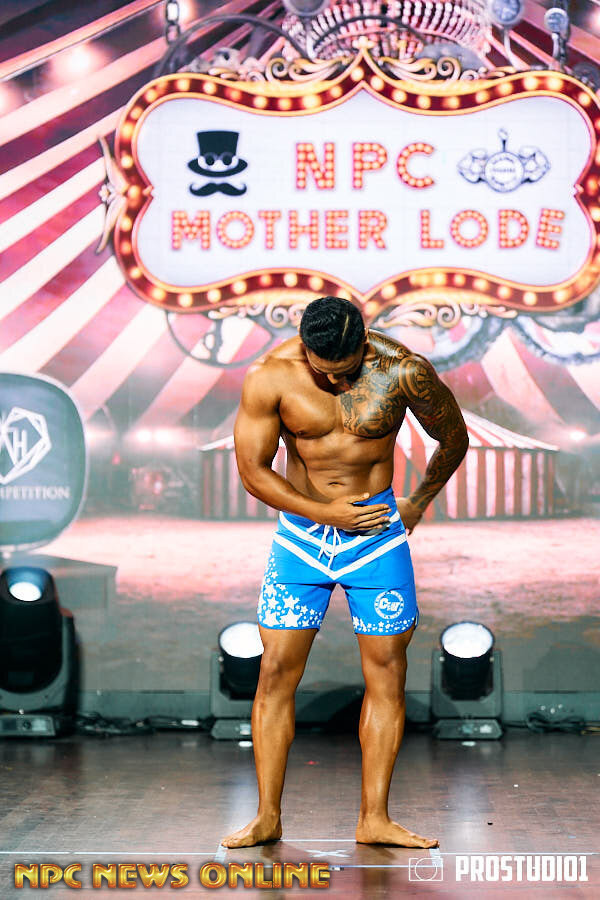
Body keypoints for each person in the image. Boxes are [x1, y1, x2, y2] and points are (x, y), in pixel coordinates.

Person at [222, 296, 469, 849]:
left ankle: (374, 818)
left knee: (387, 672)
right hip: (301, 540)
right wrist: (324, 513)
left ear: (363, 341)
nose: (335, 380)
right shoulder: (270, 376)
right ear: (304, 347)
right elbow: (253, 471)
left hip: (377, 538)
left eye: (346, 368)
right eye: (322, 370)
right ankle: (267, 817)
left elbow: (454, 437)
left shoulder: (404, 371)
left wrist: (418, 501)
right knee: (274, 673)